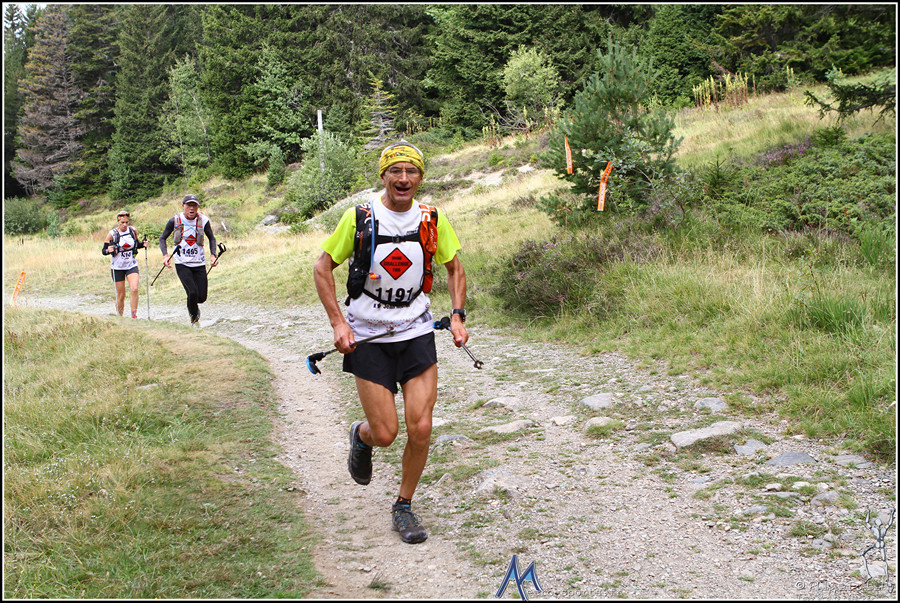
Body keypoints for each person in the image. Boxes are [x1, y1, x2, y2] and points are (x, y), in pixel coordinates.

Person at [313, 140, 469, 544]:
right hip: (368, 336)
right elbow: (322, 268)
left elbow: (455, 269)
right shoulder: (360, 217)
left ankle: (403, 504)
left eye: (411, 171)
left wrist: (456, 316)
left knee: (421, 426)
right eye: (395, 171)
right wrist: (338, 324)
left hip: (415, 332)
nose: (403, 178)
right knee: (385, 434)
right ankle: (361, 435)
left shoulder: (431, 218)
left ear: (420, 176)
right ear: (383, 176)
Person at [158, 194, 218, 327]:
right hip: (182, 263)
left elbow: (212, 238)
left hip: (199, 263)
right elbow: (162, 238)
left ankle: (192, 305)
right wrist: (165, 256)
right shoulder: (175, 220)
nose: (191, 208)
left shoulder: (204, 220)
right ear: (183, 206)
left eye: (194, 205)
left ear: (198, 207)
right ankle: (194, 320)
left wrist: (213, 255)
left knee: (201, 297)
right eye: (189, 205)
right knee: (192, 292)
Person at [102, 210, 147, 318]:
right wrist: (109, 250)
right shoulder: (112, 234)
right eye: (122, 222)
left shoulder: (132, 231)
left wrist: (143, 244)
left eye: (127, 222)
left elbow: (136, 245)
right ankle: (120, 317)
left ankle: (134, 315)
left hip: (131, 265)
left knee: (134, 288)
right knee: (121, 295)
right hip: (117, 267)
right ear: (118, 222)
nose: (125, 225)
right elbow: (104, 251)